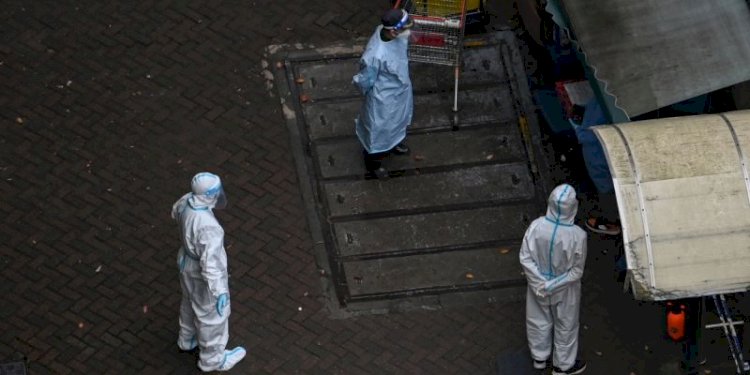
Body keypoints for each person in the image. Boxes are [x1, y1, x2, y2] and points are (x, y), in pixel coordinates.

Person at [172, 172, 246, 372]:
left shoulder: (186, 201)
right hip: (201, 274)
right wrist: (219, 291)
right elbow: (210, 264)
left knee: (189, 301)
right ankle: (212, 360)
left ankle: (186, 339)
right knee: (211, 317)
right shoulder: (208, 226)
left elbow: (174, 212)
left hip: (186, 262)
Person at [519, 184, 588, 374]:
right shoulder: (577, 236)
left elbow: (525, 257)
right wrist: (552, 285)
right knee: (566, 325)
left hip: (537, 286)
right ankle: (563, 366)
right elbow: (576, 271)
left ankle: (539, 358)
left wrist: (539, 283)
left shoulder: (536, 226)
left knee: (537, 320)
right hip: (565, 290)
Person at [352, 8, 414, 179]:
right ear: (393, 31)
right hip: (383, 99)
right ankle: (373, 164)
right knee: (378, 131)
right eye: (404, 29)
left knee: (398, 121)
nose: (407, 33)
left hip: (400, 91)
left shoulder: (389, 32)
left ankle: (395, 143)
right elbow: (365, 80)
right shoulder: (375, 55)